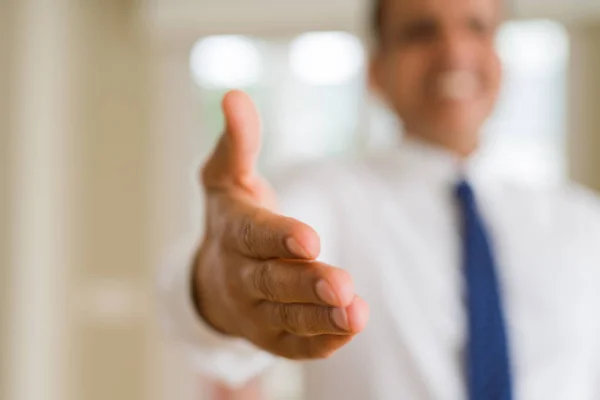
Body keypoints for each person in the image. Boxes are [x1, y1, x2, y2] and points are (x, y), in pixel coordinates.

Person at [158, 0, 600, 398]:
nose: (454, 49)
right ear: (376, 70)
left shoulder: (582, 221)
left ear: (502, 60)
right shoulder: (327, 192)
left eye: (477, 27)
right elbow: (201, 301)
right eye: (420, 32)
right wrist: (216, 287)